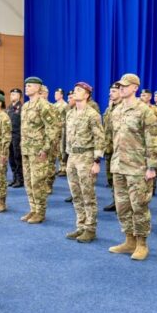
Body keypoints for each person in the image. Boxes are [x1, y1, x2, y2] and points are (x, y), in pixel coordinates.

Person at [108, 73, 157, 261]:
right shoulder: (116, 110)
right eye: (120, 86)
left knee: (139, 206)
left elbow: (153, 140)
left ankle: (142, 244)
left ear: (135, 88)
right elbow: (113, 138)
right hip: (119, 165)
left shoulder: (144, 111)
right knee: (122, 206)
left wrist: (151, 166)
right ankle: (129, 240)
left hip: (138, 167)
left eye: (125, 86)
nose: (121, 88)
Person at [64, 82, 105, 243]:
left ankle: (90, 229)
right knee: (76, 194)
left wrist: (97, 161)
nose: (75, 92)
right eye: (75, 90)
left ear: (87, 95)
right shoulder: (70, 113)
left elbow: (99, 138)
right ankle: (80, 226)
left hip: (86, 157)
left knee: (88, 195)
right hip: (72, 157)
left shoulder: (92, 114)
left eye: (79, 90)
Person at [20, 76, 59, 224]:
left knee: (38, 182)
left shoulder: (44, 105)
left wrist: (46, 148)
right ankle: (33, 209)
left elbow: (52, 128)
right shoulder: (26, 106)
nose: (27, 88)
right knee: (28, 182)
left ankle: (40, 212)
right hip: (26, 149)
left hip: (39, 151)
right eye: (26, 85)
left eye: (30, 86)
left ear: (38, 88)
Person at [102, 82, 122, 212]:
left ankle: (122, 204)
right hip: (109, 147)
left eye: (114, 91)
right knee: (111, 177)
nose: (110, 94)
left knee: (120, 178)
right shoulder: (109, 108)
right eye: (110, 92)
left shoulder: (124, 108)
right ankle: (115, 201)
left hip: (120, 149)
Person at [40, 85, 61, 193]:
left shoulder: (51, 107)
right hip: (39, 141)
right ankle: (41, 183)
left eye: (41, 93)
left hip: (51, 140)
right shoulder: (35, 107)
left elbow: (56, 126)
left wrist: (52, 141)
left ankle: (48, 184)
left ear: (46, 94)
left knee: (50, 164)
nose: (39, 95)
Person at [7, 88, 24, 188]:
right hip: (9, 135)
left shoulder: (22, 108)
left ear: (19, 96)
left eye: (14, 94)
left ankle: (20, 179)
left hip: (18, 136)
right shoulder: (9, 107)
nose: (11, 96)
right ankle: (14, 178)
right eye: (11, 94)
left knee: (18, 158)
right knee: (11, 158)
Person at [54, 88, 69, 177]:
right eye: (55, 94)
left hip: (63, 129)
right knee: (57, 150)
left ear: (62, 95)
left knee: (62, 149)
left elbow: (67, 119)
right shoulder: (54, 105)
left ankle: (64, 168)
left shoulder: (65, 106)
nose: (55, 96)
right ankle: (60, 167)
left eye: (57, 94)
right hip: (56, 130)